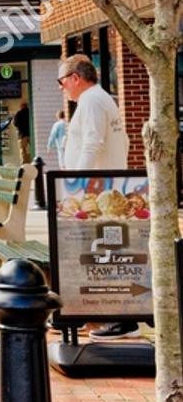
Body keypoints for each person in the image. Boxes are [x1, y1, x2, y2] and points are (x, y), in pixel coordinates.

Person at [58, 56, 137, 339]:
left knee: (108, 253)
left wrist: (75, 183)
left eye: (62, 80)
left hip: (99, 191)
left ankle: (122, 319)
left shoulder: (91, 101)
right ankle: (92, 313)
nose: (61, 87)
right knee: (101, 253)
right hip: (105, 188)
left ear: (76, 77)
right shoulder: (100, 98)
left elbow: (93, 142)